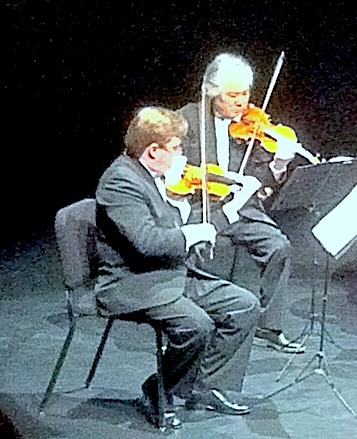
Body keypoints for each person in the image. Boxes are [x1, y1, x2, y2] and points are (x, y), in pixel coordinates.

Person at [94, 107, 260, 427]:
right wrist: (192, 233)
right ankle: (157, 389)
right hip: (133, 281)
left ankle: (204, 386)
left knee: (244, 305)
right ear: (153, 150)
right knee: (196, 326)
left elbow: (171, 227)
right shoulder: (120, 182)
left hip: (170, 273)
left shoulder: (156, 176)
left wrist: (220, 208)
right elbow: (147, 242)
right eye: (176, 147)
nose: (181, 155)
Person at [177, 52, 305, 354]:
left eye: (245, 93)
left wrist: (278, 164)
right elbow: (174, 167)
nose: (241, 102)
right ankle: (192, 322)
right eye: (232, 95)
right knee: (193, 247)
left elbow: (262, 182)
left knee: (279, 246)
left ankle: (269, 326)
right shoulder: (186, 120)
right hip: (201, 205)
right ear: (212, 92)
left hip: (242, 207)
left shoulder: (252, 127)